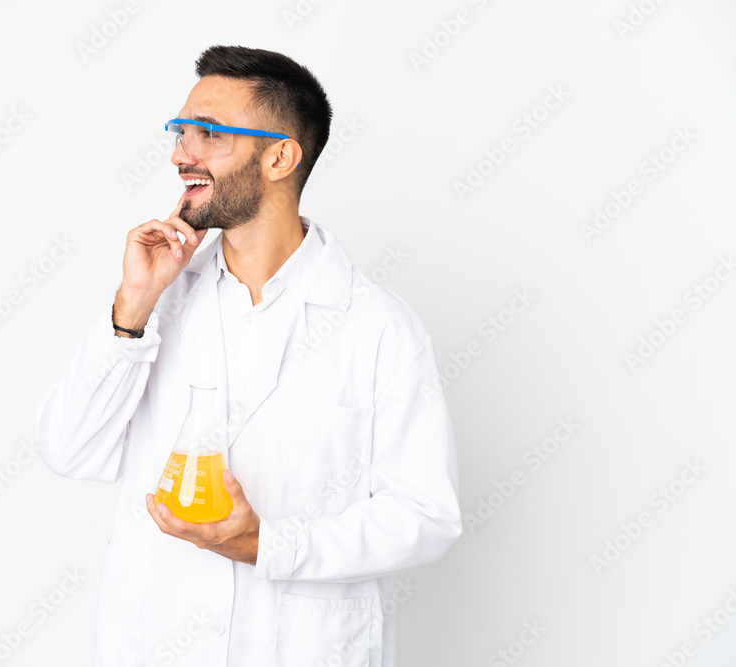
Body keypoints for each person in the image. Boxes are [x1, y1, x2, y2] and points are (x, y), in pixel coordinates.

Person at [35, 44, 462, 666]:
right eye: (181, 131)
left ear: (280, 157)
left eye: (209, 134)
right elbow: (68, 449)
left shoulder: (378, 327)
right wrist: (133, 304)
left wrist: (268, 544)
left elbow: (425, 516)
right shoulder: (158, 299)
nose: (181, 154)